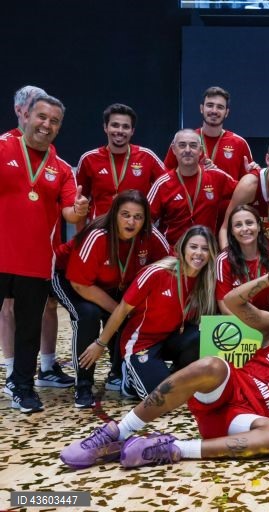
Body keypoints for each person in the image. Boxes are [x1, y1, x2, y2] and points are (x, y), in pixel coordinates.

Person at [60, 280, 269, 469]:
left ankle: (173, 449)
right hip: (232, 390)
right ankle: (116, 434)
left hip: (246, 420)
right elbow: (232, 301)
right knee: (212, 365)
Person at [0, 94, 90, 412]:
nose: (46, 125)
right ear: (25, 116)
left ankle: (23, 387)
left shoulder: (63, 169)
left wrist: (78, 210)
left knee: (28, 329)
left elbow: (69, 213)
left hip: (36, 263)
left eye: (54, 121)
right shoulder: (3, 149)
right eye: (41, 117)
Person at [52, 190, 171, 407]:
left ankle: (117, 373)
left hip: (110, 284)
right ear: (115, 214)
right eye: (125, 215)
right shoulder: (98, 236)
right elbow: (81, 284)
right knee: (88, 314)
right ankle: (83, 386)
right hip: (69, 278)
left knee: (129, 311)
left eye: (138, 216)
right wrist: (119, 309)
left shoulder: (150, 236)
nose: (131, 221)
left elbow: (170, 263)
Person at [76, 226, 217, 400]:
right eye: (193, 247)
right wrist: (100, 343)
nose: (199, 253)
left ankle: (173, 374)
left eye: (205, 249)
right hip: (141, 343)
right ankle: (129, 378)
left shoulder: (207, 281)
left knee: (201, 336)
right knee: (160, 399)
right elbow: (121, 310)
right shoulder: (157, 272)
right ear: (183, 248)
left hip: (171, 338)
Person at [75, 104, 165, 225]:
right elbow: (81, 203)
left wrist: (151, 218)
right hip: (100, 229)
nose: (120, 131)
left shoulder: (147, 157)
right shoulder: (88, 159)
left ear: (132, 131)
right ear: (105, 127)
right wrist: (80, 237)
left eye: (126, 127)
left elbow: (168, 187)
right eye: (115, 125)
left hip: (135, 229)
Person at [148, 129, 236, 245]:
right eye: (182, 145)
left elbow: (247, 188)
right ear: (174, 149)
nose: (188, 150)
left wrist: (253, 172)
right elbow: (145, 221)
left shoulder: (217, 177)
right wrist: (163, 249)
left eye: (193, 146)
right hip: (173, 255)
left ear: (200, 151)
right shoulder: (162, 184)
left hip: (206, 252)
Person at [163, 86, 253, 182]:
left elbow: (248, 184)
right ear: (202, 108)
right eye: (210, 105)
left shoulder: (240, 143)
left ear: (226, 113)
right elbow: (166, 177)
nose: (214, 111)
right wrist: (194, 169)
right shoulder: (183, 141)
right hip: (191, 197)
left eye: (220, 107)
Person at [215, 205, 269, 315]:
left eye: (249, 223)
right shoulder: (223, 260)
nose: (245, 229)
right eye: (238, 225)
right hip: (238, 320)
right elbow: (224, 305)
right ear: (231, 231)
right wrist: (250, 327)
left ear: (259, 227)